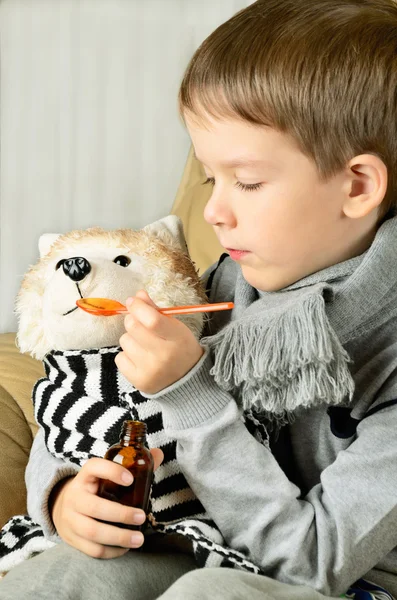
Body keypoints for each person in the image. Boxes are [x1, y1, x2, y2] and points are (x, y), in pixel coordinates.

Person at [2, 0, 397, 598]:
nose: (214, 211)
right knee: (60, 577)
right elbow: (86, 397)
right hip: (204, 543)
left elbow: (310, 565)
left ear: (357, 185)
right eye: (211, 179)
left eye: (249, 181)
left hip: (344, 581)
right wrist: (63, 493)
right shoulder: (215, 288)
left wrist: (191, 394)